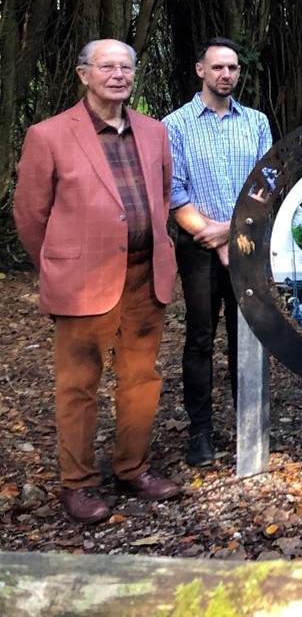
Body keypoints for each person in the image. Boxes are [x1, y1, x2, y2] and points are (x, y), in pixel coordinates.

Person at [13, 39, 181, 524]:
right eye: (107, 66)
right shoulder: (48, 135)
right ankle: (78, 483)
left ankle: (133, 468)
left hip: (145, 276)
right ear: (83, 74)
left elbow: (164, 194)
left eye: (126, 67)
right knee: (78, 385)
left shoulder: (154, 132)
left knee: (141, 379)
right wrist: (62, 262)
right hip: (84, 281)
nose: (118, 75)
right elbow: (31, 215)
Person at [163, 37, 273, 467]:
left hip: (246, 242)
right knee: (200, 337)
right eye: (217, 68)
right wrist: (209, 236)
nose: (225, 74)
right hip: (197, 248)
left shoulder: (257, 122)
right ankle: (201, 433)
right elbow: (175, 191)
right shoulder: (176, 124)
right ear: (200, 71)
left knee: (246, 337)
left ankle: (250, 426)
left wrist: (229, 234)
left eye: (232, 68)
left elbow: (267, 184)